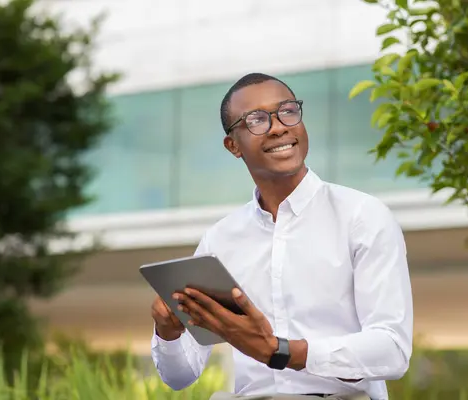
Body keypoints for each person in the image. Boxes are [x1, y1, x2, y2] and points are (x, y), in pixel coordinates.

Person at [150, 73, 413, 400]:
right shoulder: (219, 240)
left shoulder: (363, 217)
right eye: (256, 119)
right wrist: (169, 333)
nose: (278, 126)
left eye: (287, 111)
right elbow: (180, 377)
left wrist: (281, 351)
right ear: (233, 145)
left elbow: (392, 349)